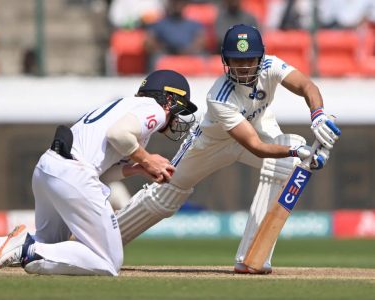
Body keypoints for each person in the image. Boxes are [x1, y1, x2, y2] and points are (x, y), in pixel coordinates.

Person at [115, 24, 341, 274]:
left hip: (258, 128)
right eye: (236, 60)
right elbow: (256, 147)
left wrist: (318, 116)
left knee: (291, 157)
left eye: (249, 60)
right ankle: (101, 237)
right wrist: (298, 153)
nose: (243, 67)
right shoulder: (218, 96)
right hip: (212, 143)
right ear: (226, 60)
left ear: (261, 57)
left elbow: (308, 87)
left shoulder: (272, 65)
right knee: (167, 192)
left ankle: (253, 257)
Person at [0, 69, 198, 276]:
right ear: (169, 99)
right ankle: (25, 249)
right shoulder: (153, 109)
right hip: (73, 173)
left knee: (49, 242)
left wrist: (135, 168)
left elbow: (104, 168)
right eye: (178, 109)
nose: (176, 118)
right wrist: (148, 160)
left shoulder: (123, 106)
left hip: (50, 169)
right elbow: (119, 134)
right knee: (108, 261)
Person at [145, 0, 206, 71]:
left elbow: (201, 42)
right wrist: (166, 49)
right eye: (174, 2)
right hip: (166, 54)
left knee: (202, 57)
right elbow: (149, 42)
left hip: (189, 54)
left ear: (185, 4)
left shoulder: (194, 24)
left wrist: (185, 51)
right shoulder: (159, 24)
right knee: (155, 58)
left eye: (180, 2)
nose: (178, 4)